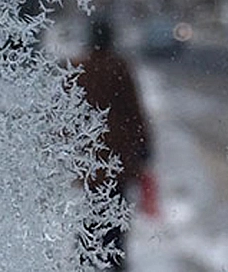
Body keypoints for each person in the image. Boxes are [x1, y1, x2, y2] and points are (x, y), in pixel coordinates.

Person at [74, 16, 151, 271]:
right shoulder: (119, 68)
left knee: (92, 213)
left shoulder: (81, 68)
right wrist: (144, 148)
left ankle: (88, 260)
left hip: (90, 158)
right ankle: (113, 261)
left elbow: (69, 113)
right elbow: (134, 112)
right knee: (116, 216)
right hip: (117, 158)